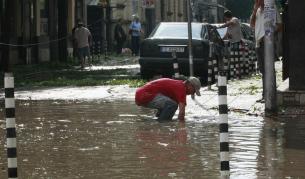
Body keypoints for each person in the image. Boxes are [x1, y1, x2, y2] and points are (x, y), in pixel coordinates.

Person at [250, 0, 282, 102]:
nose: (257, 1)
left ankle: (270, 94)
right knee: (263, 70)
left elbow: (279, 25)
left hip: (266, 43)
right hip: (258, 43)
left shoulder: (271, 7)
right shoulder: (258, 10)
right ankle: (265, 95)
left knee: (269, 70)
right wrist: (254, 10)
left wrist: (268, 36)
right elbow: (252, 24)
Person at [135, 77, 201, 122]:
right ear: (189, 85)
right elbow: (181, 113)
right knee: (172, 105)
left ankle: (158, 121)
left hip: (141, 94)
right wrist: (182, 126)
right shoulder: (181, 88)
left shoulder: (178, 86)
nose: (193, 93)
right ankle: (162, 124)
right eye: (194, 91)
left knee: (169, 104)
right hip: (145, 94)